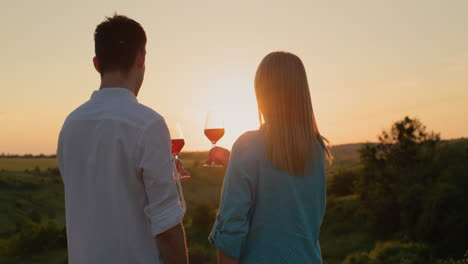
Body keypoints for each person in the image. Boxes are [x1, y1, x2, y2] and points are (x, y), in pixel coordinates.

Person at [57, 15, 188, 264]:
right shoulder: (148, 125)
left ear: (96, 64)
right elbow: (167, 228)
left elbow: (98, 190)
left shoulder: (70, 125)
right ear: (141, 58)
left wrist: (167, 173)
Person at [208, 51, 333, 264]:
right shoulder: (318, 149)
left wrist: (240, 162)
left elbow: (231, 230)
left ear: (262, 93)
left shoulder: (249, 147)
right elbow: (286, 196)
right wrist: (235, 164)